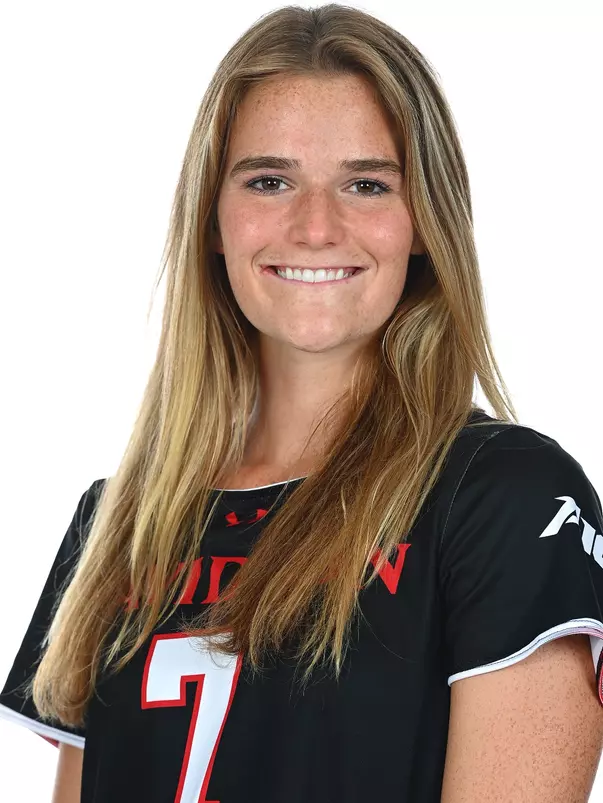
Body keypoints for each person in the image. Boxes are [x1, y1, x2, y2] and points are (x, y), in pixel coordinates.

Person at [2, 3, 603, 802]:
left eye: (365, 184)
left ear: (424, 220)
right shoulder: (116, 522)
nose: (315, 226)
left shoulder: (504, 496)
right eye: (269, 180)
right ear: (212, 218)